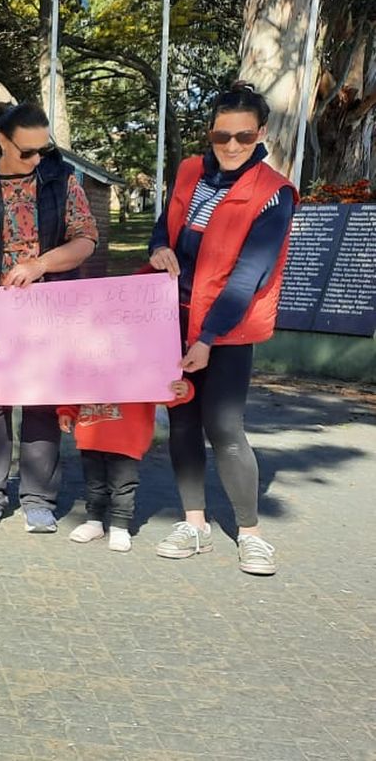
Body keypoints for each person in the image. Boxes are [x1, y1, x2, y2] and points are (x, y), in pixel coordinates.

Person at [147, 81, 296, 576]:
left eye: (243, 136)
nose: (231, 146)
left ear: (261, 134)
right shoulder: (190, 171)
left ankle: (251, 533)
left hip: (227, 328)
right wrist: (158, 248)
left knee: (225, 428)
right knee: (183, 422)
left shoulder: (274, 195)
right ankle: (195, 524)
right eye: (221, 136)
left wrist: (207, 339)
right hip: (173, 314)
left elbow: (248, 277)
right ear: (210, 133)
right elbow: (163, 225)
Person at [0, 101, 98, 533]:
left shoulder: (61, 178)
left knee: (41, 404)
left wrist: (41, 264)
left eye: (42, 149)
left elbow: (86, 239)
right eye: (27, 151)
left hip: (48, 310)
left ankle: (38, 499)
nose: (37, 159)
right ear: (2, 140)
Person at [59, 379, 194, 553]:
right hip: (90, 433)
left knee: (123, 486)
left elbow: (165, 388)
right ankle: (94, 521)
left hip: (127, 437)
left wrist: (183, 389)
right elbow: (75, 380)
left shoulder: (144, 359)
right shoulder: (89, 354)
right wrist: (66, 410)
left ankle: (119, 527)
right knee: (94, 484)